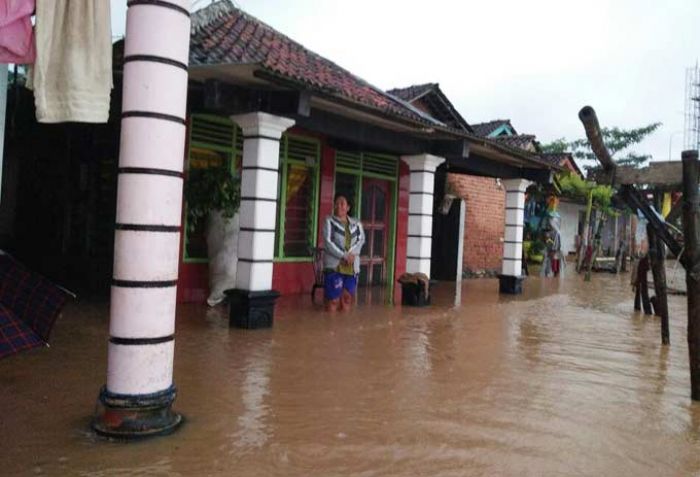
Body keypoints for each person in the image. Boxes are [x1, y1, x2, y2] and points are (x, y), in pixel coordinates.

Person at [323, 193, 365, 311]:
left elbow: (360, 240)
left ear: (348, 207)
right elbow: (328, 242)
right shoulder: (329, 221)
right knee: (333, 300)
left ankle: (344, 327)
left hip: (351, 267)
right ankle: (331, 327)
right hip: (334, 266)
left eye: (342, 203)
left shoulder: (356, 224)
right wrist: (344, 255)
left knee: (347, 298)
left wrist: (351, 255)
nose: (338, 206)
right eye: (336, 203)